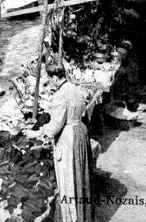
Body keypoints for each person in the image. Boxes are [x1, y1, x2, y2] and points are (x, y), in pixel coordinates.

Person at [25, 62, 93, 222]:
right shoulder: (76, 88)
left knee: (68, 176)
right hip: (80, 131)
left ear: (56, 77)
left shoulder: (60, 94)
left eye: (50, 80)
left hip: (68, 136)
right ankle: (83, 215)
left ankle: (71, 217)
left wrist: (36, 132)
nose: (51, 83)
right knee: (80, 175)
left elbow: (55, 126)